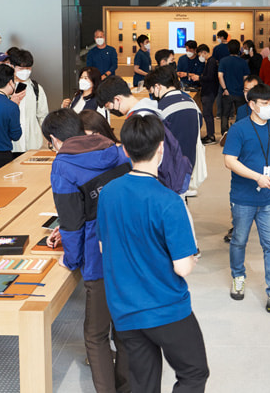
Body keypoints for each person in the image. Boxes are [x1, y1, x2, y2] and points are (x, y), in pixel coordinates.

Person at [96, 114, 208, 392]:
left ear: (124, 150)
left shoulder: (109, 192)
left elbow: (102, 246)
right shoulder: (168, 201)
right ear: (161, 147)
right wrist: (191, 254)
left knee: (143, 383)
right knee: (194, 372)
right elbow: (183, 268)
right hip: (165, 309)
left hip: (124, 309)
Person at [41, 109, 131, 393]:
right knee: (126, 329)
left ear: (54, 140)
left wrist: (71, 259)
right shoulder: (116, 150)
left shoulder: (63, 165)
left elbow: (71, 222)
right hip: (133, 250)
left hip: (99, 256)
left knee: (95, 335)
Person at [222, 84, 270, 314]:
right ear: (251, 105)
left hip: (269, 196)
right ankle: (238, 276)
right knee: (239, 240)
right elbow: (229, 161)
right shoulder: (239, 129)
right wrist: (257, 177)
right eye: (264, 104)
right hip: (243, 197)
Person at [146, 65, 202, 175]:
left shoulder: (159, 109)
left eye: (151, 90)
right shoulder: (192, 102)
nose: (151, 94)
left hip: (168, 168)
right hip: (190, 164)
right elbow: (199, 125)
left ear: (157, 86)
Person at [9, 49, 49, 154]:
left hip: (33, 143)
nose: (25, 71)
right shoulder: (6, 87)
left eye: (28, 68)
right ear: (12, 67)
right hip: (11, 145)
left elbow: (43, 115)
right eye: (21, 68)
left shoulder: (36, 88)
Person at [217, 40, 249, 134]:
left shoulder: (223, 61)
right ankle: (240, 133)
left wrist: (225, 89)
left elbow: (220, 76)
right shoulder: (243, 62)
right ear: (239, 49)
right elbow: (246, 78)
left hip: (227, 93)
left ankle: (224, 133)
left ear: (228, 49)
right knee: (241, 115)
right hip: (240, 93)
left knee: (225, 115)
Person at [196, 44, 219, 145]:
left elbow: (210, 77)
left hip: (209, 91)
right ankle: (210, 134)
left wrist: (199, 78)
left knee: (208, 114)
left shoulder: (211, 62)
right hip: (208, 91)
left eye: (199, 54)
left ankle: (211, 136)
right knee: (206, 113)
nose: (199, 57)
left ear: (204, 53)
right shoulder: (210, 62)